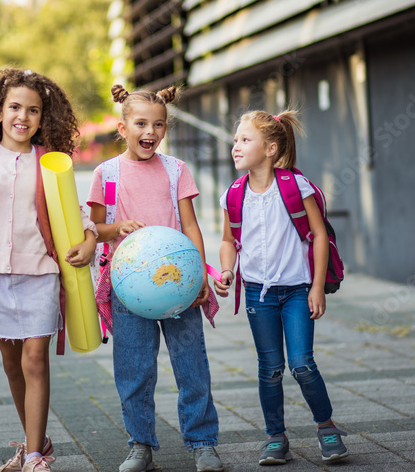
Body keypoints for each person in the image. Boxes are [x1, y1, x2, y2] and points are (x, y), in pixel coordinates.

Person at [0, 67, 98, 472]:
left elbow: (76, 213)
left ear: (42, 117)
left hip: (42, 272)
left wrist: (90, 239)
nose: (22, 117)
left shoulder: (50, 162)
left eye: (33, 110)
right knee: (12, 364)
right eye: (15, 107)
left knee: (34, 359)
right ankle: (37, 440)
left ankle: (32, 457)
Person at [87, 84, 225, 472]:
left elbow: (190, 224)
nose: (150, 132)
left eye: (158, 125)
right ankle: (140, 445)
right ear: (123, 126)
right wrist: (117, 229)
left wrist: (199, 273)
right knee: (134, 371)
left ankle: (202, 443)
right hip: (129, 289)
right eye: (141, 123)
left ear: (165, 129)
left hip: (178, 286)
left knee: (192, 366)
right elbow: (95, 227)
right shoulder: (107, 173)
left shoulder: (175, 169)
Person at [213, 109, 349, 465]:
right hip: (259, 293)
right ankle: (276, 437)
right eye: (235, 140)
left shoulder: (295, 186)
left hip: (297, 291)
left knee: (302, 363)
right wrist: (227, 270)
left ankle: (327, 427)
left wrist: (317, 287)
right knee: (270, 368)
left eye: (245, 140)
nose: (236, 147)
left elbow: (319, 235)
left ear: (271, 148)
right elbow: (228, 240)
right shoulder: (233, 194)